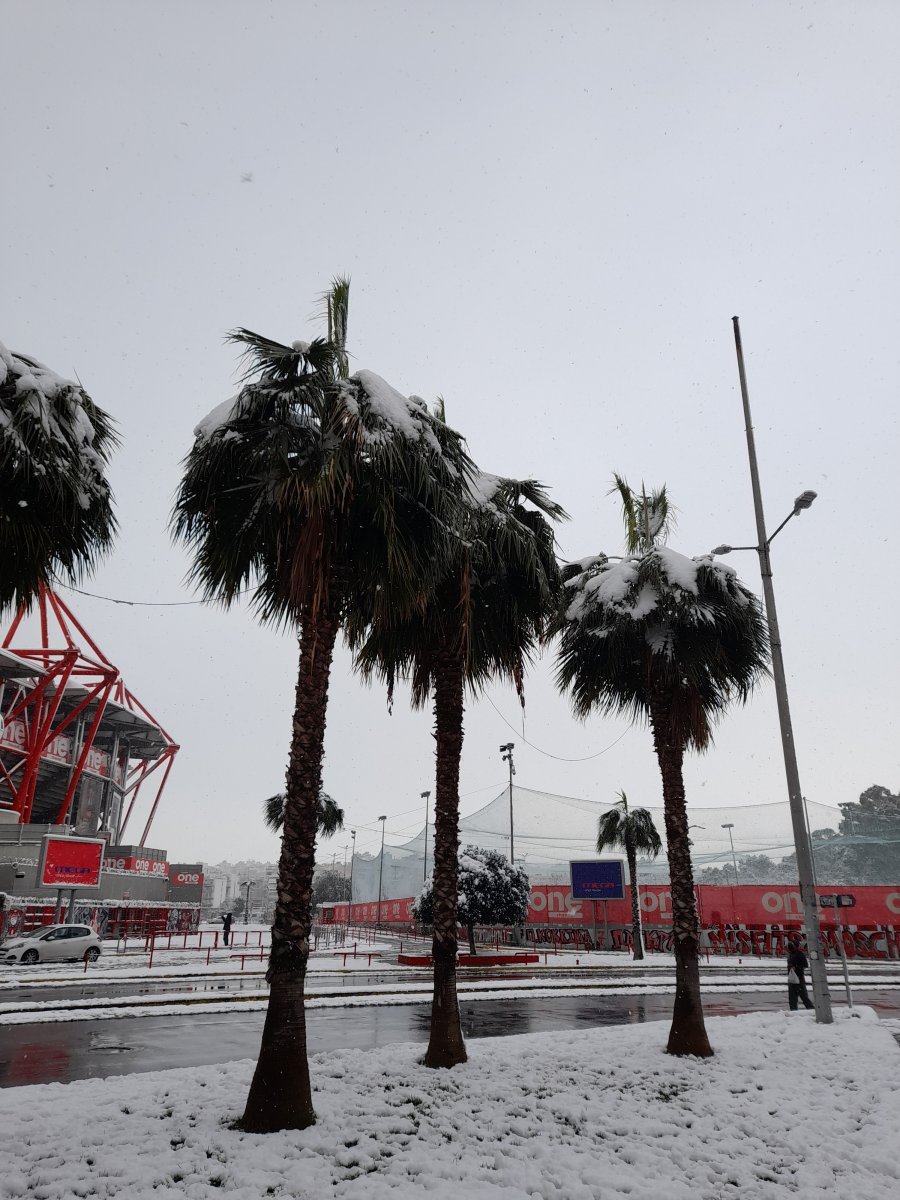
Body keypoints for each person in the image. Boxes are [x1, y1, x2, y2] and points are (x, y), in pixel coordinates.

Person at [786, 939, 814, 1010]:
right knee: (792, 998)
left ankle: (811, 1010)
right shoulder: (790, 954)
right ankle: (793, 1011)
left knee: (804, 996)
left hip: (799, 978)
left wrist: (796, 967)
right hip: (792, 978)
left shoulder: (800, 954)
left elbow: (805, 965)